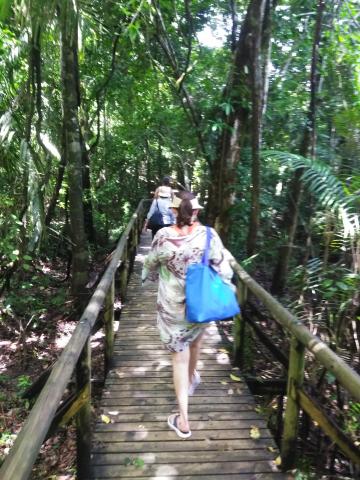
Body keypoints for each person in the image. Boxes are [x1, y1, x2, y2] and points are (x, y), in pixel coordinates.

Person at [142, 191, 235, 439]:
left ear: (173, 210)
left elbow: (150, 264)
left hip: (173, 308)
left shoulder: (162, 236)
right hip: (201, 302)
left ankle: (183, 419)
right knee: (196, 340)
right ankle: (192, 379)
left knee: (178, 359)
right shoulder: (208, 234)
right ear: (195, 211)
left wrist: (149, 277)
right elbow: (223, 267)